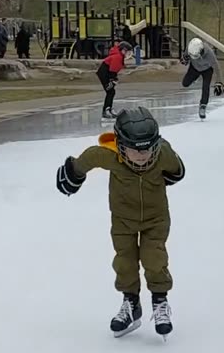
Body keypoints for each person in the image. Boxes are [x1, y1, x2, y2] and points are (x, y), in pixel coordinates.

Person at [55, 107, 185, 339]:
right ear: (121, 145)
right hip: (123, 219)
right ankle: (131, 304)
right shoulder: (108, 155)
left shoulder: (163, 153)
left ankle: (160, 301)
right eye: (135, 150)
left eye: (148, 149)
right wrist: (73, 175)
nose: (142, 155)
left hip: (156, 219)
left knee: (154, 258)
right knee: (124, 261)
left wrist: (170, 175)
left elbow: (177, 170)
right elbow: (88, 158)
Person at [182, 37, 224, 119]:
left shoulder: (209, 54)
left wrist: (219, 82)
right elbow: (185, 57)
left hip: (207, 70)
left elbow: (217, 67)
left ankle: (203, 106)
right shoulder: (189, 48)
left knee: (205, 87)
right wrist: (184, 60)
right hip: (194, 68)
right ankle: (196, 78)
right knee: (185, 84)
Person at [96, 40, 132, 120]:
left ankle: (108, 109)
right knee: (110, 91)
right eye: (126, 51)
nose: (127, 54)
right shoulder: (117, 57)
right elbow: (112, 69)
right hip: (105, 74)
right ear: (123, 50)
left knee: (111, 91)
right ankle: (106, 110)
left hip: (107, 73)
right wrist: (112, 79)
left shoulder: (119, 56)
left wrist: (113, 79)